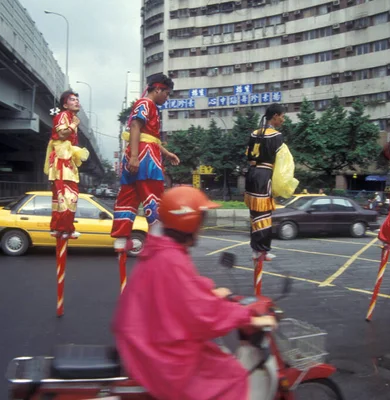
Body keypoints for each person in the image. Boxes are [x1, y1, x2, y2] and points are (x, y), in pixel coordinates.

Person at [113, 186, 277, 400]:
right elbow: (200, 313)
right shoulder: (170, 259)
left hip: (147, 342)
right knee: (231, 375)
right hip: (161, 356)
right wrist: (249, 318)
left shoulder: (161, 250)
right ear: (189, 222)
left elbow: (180, 290)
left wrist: (208, 289)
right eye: (201, 221)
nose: (202, 227)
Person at [111, 73, 180, 252]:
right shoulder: (146, 104)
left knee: (128, 196)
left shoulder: (147, 105)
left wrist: (166, 153)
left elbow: (148, 136)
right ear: (158, 89)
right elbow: (135, 127)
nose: (167, 97)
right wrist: (136, 156)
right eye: (167, 93)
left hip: (138, 154)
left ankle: (120, 238)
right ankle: (157, 239)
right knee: (153, 196)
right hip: (145, 158)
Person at [244, 103, 297, 261]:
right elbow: (282, 163)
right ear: (275, 116)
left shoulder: (254, 133)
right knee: (264, 213)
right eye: (282, 116)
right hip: (264, 175)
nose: (283, 120)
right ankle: (262, 250)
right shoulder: (276, 136)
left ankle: (256, 249)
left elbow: (248, 156)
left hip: (252, 174)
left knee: (254, 213)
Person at [44, 90, 89, 239]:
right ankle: (65, 229)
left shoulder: (70, 117)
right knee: (69, 195)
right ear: (65, 104)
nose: (76, 102)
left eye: (77, 99)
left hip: (65, 161)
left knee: (61, 196)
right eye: (72, 100)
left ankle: (60, 228)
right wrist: (73, 125)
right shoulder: (63, 116)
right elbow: (62, 134)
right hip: (62, 162)